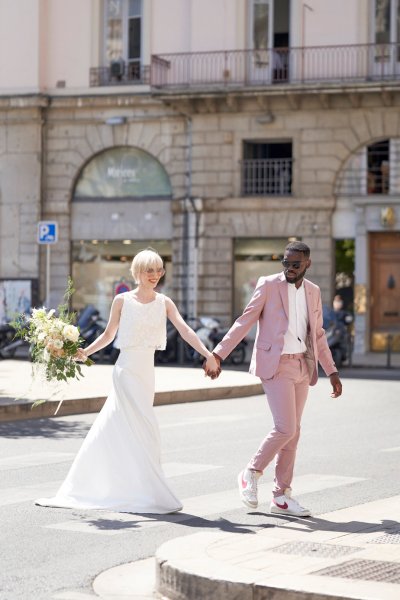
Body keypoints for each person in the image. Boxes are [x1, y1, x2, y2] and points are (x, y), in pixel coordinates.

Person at [36, 248, 219, 514]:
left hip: (147, 373)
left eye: (159, 270)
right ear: (137, 273)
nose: (155, 275)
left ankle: (133, 485)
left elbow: (185, 330)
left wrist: (208, 354)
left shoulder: (165, 302)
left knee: (136, 429)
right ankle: (137, 488)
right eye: (149, 271)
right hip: (126, 371)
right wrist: (86, 352)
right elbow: (110, 334)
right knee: (142, 427)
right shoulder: (122, 300)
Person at [207, 241, 342, 517]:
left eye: (296, 264)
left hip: (302, 366)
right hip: (276, 364)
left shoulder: (313, 292)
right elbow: (245, 320)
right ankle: (251, 472)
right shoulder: (268, 285)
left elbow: (317, 334)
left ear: (307, 264)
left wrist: (332, 370)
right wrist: (219, 354)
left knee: (294, 432)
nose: (290, 269)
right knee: (285, 428)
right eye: (286, 263)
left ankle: (281, 496)